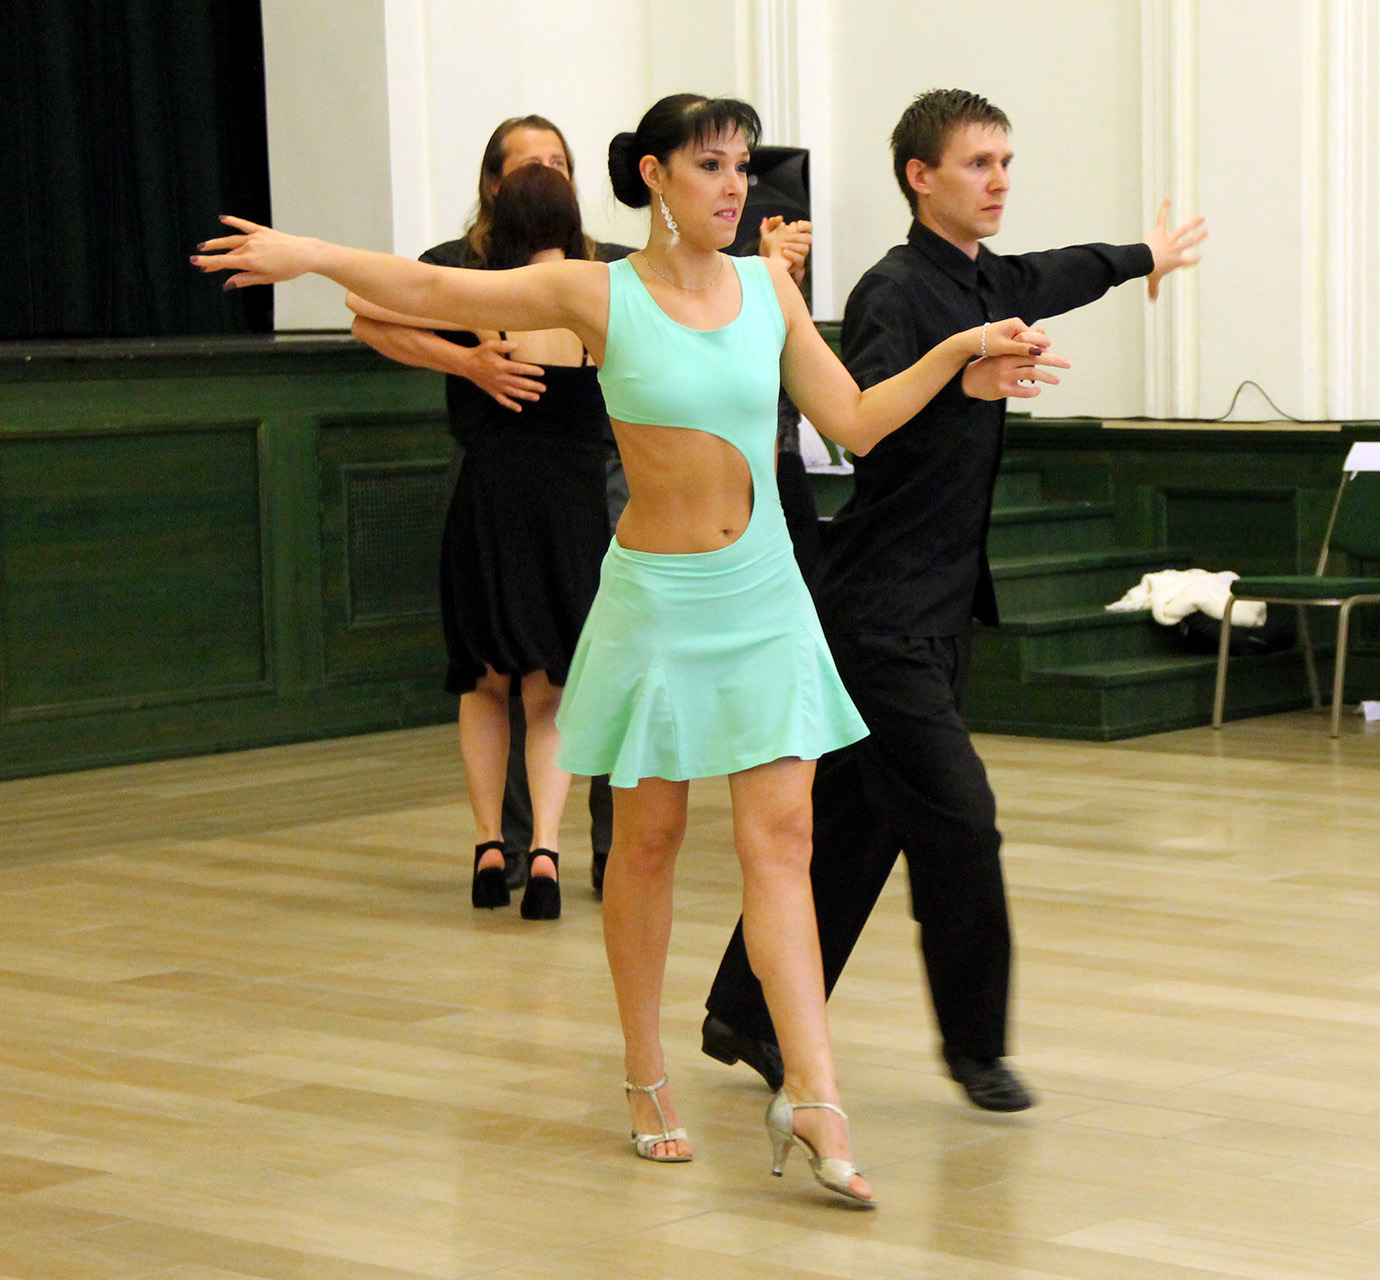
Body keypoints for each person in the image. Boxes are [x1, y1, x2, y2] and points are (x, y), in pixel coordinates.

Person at [193, 91, 1057, 1207]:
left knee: (783, 843)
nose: (735, 186)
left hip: (765, 599)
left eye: (743, 165)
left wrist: (962, 352)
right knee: (647, 845)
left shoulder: (768, 290)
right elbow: (439, 292)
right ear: (654, 176)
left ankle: (816, 1093)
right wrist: (311, 254)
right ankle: (647, 1076)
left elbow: (852, 418)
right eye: (711, 165)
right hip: (658, 605)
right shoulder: (596, 291)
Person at [701, 88, 1205, 1112]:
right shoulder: (895, 292)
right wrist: (961, 385)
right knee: (961, 820)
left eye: (1006, 162)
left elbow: (1064, 271)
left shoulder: (990, 279)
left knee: (858, 822)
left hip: (936, 611)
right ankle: (978, 1049)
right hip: (879, 614)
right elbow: (860, 426)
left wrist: (1144, 255)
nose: (1000, 181)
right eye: (979, 163)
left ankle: (744, 1013)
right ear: (919, 176)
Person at [350, 114, 630, 898]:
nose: (549, 171)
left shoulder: (510, 288)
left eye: (557, 161)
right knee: (551, 687)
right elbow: (370, 312)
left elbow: (360, 306)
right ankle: (539, 850)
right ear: (493, 183)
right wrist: (467, 363)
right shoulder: (519, 278)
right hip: (563, 501)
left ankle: (499, 849)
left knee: (489, 681)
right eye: (536, 163)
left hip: (513, 494)